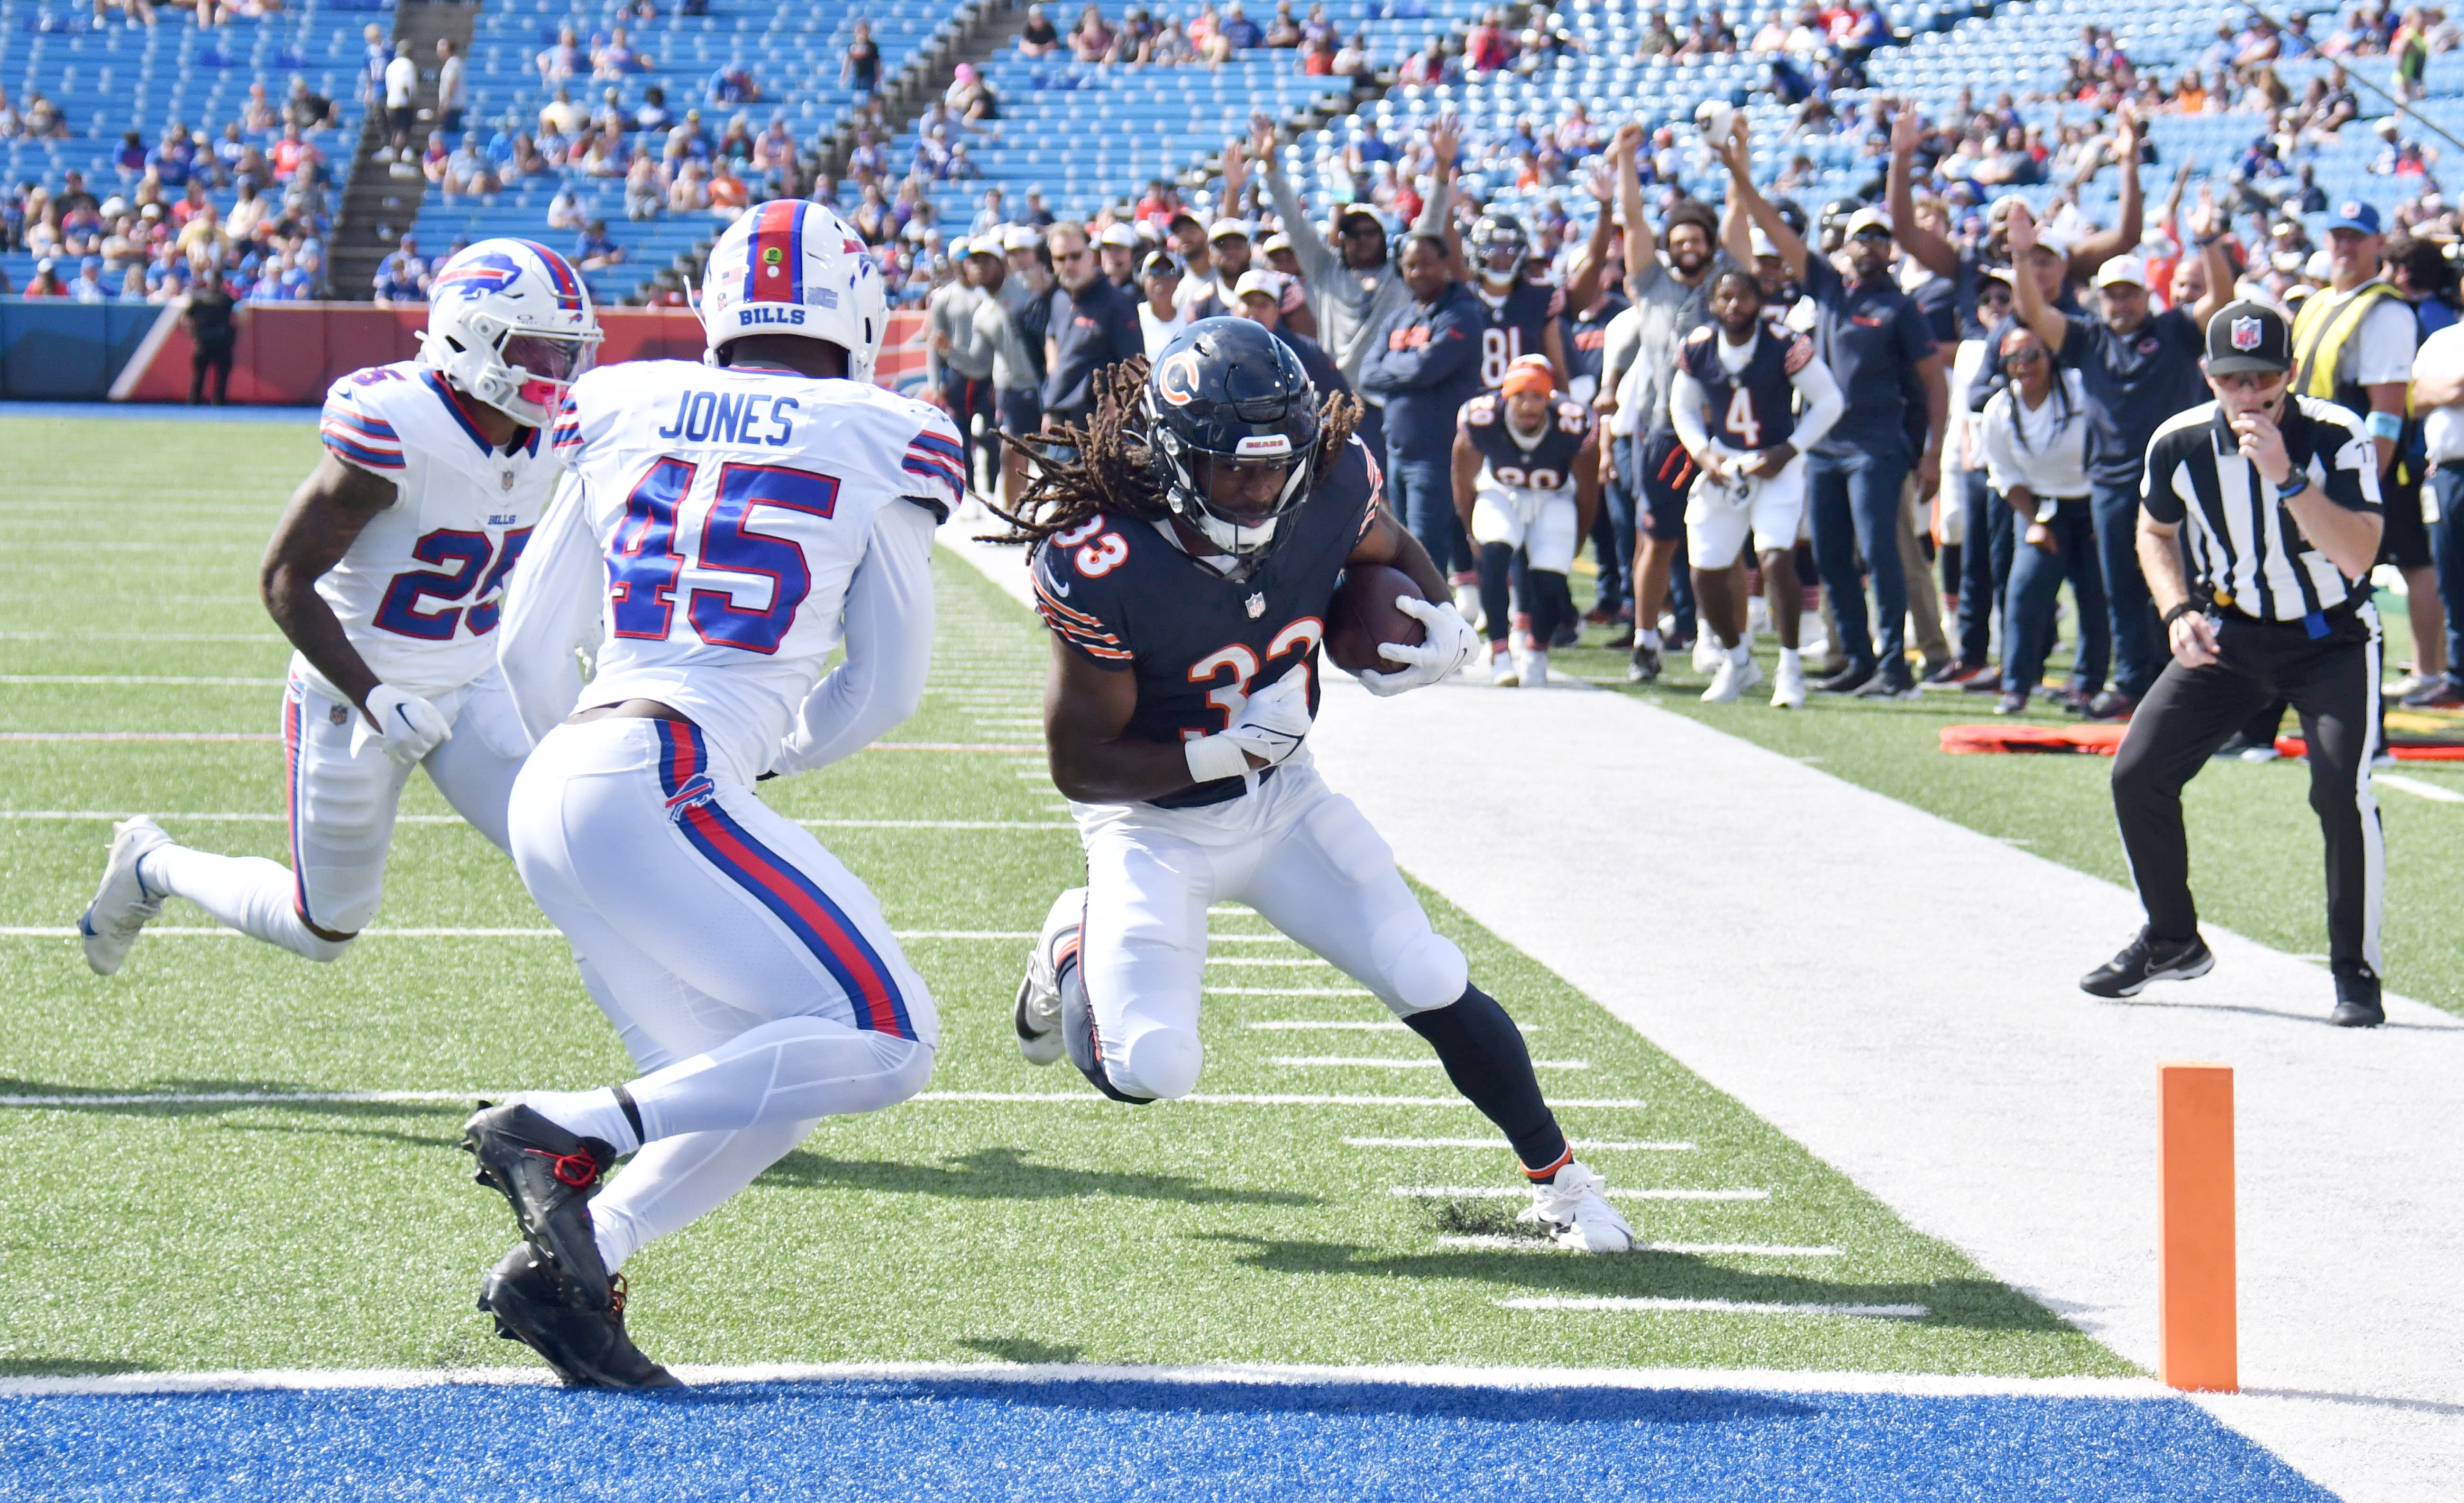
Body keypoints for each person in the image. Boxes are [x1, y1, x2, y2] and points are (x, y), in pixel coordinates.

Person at [997, 318, 1631, 1252]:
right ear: (1172, 458)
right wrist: (1222, 752)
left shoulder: (1327, 482)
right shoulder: (1104, 556)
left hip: (1287, 799)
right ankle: (1066, 946)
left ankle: (1564, 1182)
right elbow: (1081, 767)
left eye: (1273, 466)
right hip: (1153, 822)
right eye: (1232, 469)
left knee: (1426, 969)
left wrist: (1440, 623)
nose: (1259, 488)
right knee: (1151, 1066)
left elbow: (1386, 548)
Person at [476, 200, 957, 1385]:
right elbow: (887, 685)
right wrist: (762, 753)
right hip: (665, 767)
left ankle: (573, 1268)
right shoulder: (878, 429)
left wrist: (585, 769)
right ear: (857, 309)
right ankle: (572, 1129)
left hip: (567, 771)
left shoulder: (624, 402)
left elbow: (526, 653)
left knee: (771, 1076)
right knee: (888, 1037)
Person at [76, 241, 602, 991]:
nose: (555, 373)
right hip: (351, 697)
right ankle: (152, 863)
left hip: (477, 677)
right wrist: (375, 695)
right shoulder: (395, 426)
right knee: (323, 927)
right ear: (470, 336)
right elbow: (285, 577)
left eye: (566, 352)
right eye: (536, 350)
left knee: (580, 855)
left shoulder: (554, 429)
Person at [2094, 301, 2388, 1028]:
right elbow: (2155, 531)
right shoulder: (2180, 440)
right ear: (2208, 376)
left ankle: (2354, 970)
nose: (2248, 394)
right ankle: (2172, 937)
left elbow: (2358, 553)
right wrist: (2176, 611)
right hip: (2230, 634)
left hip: (2331, 636)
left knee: (2337, 789)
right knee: (2137, 772)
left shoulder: (2335, 433)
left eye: (2262, 377)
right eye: (2232, 378)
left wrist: (2288, 479)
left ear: (2290, 373)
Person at [2003, 203, 2233, 722]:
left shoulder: (2174, 330)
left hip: (2176, 479)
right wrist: (2020, 255)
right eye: (2111, 294)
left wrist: (2210, 242)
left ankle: (2194, 681)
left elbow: (2220, 302)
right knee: (2122, 590)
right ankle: (2134, 684)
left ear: (2145, 296)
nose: (2120, 303)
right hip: (2108, 481)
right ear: (2099, 298)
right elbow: (2035, 314)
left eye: (2129, 292)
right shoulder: (2087, 337)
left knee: (2188, 583)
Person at [1725, 166, 1943, 698]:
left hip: (1875, 445)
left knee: (1879, 553)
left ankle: (1895, 665)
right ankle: (1860, 659)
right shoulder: (1825, 286)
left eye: (1879, 238)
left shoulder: (1900, 307)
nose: (1869, 245)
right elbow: (1775, 231)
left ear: (1891, 250)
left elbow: (1934, 383)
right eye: (1860, 237)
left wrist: (1933, 449)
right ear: (1843, 247)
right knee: (1828, 557)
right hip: (1821, 445)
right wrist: (1739, 172)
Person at [1667, 266, 1844, 708]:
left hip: (1775, 466)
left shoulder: (1784, 345)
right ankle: (1739, 658)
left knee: (1774, 557)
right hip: (1724, 464)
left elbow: (1829, 402)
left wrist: (1789, 450)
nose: (1733, 306)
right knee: (1704, 572)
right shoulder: (1699, 346)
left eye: (1742, 297)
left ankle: (1790, 666)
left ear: (1758, 301)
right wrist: (1703, 454)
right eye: (1724, 297)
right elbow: (1682, 407)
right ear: (1711, 303)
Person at [2291, 201, 2435, 703]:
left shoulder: (2384, 309)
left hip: (2359, 473)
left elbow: (2387, 406)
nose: (2345, 246)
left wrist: (2364, 482)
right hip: (2311, 472)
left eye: (2357, 237)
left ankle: (2366, 706)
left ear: (2378, 244)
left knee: (2357, 590)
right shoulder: (2316, 303)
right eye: (2338, 235)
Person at [1255, 110, 1458, 463]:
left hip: (1387, 401)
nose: (1361, 240)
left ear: (1384, 237)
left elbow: (1429, 227)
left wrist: (1441, 170)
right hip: (1333, 401)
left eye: (1370, 232)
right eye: (1352, 234)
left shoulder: (1401, 274)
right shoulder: (1325, 269)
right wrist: (1270, 163)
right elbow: (1292, 218)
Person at [1609, 123, 1737, 680]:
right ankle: (1646, 638)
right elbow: (1634, 221)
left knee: (1723, 542)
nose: (1689, 247)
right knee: (1657, 540)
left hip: (1723, 430)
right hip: (1662, 431)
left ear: (1709, 244)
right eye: (1679, 240)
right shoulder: (1653, 284)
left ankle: (1718, 638)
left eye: (1697, 239)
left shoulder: (1729, 285)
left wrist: (1739, 161)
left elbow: (1738, 222)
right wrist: (1627, 161)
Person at [1453, 355, 1600, 686]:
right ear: (1506, 396)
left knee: (1550, 579)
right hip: (1500, 491)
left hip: (1553, 497)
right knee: (1493, 553)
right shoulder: (1481, 417)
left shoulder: (1573, 422)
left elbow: (1589, 492)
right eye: (1520, 396)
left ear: (1550, 398)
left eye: (1538, 396)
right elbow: (1463, 479)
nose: (1528, 406)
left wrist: (1578, 538)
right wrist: (1468, 529)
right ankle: (1500, 652)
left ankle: (1536, 650)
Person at [1359, 233, 1485, 614]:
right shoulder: (1401, 315)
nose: (1418, 272)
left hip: (1438, 450)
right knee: (1407, 542)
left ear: (1446, 263)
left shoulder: (1461, 312)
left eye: (1427, 263)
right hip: (1398, 450)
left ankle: (1434, 625)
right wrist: (1409, 368)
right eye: (1411, 265)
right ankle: (1430, 620)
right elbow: (1367, 373)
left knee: (1425, 549)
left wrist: (1398, 368)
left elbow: (1428, 368)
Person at [1979, 324, 2098, 716]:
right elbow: (2003, 474)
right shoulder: (1998, 409)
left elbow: (2107, 444)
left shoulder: (2080, 389)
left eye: (2032, 355)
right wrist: (2031, 521)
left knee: (2095, 597)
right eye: (2013, 357)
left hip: (2092, 503)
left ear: (2050, 357)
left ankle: (2087, 684)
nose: (2023, 365)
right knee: (2024, 592)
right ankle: (2015, 686)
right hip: (2041, 509)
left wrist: (2106, 511)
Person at [2408, 310, 2464, 708]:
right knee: (2451, 576)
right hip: (2446, 470)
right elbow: (2413, 399)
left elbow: (2438, 392)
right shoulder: (2442, 340)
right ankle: (2458, 677)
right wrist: (2452, 390)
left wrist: (2440, 390)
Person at [1041, 220, 1143, 431]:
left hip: (1095, 422)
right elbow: (1051, 336)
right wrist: (1054, 375)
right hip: (1059, 414)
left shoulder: (1116, 303)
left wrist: (1114, 410)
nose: (1069, 264)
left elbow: (1135, 365)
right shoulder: (1059, 297)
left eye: (1076, 256)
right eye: (1060, 258)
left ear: (1091, 255)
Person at [926, 238, 998, 495]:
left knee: (992, 436)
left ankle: (992, 488)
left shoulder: (987, 295)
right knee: (961, 436)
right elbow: (935, 343)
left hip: (988, 375)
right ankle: (969, 491)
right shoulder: (944, 298)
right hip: (959, 374)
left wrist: (1000, 379)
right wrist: (935, 384)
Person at [182, 252, 240, 404]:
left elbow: (186, 318)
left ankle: (195, 402)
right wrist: (234, 336)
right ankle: (218, 402)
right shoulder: (227, 299)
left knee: (200, 375)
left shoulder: (198, 297)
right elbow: (238, 319)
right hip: (221, 340)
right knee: (220, 376)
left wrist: (193, 335)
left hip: (204, 340)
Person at [1136, 248, 1195, 357]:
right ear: (1143, 280)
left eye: (1169, 272)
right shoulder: (1135, 315)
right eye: (1154, 272)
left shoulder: (1189, 316)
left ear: (1177, 280)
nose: (1161, 278)